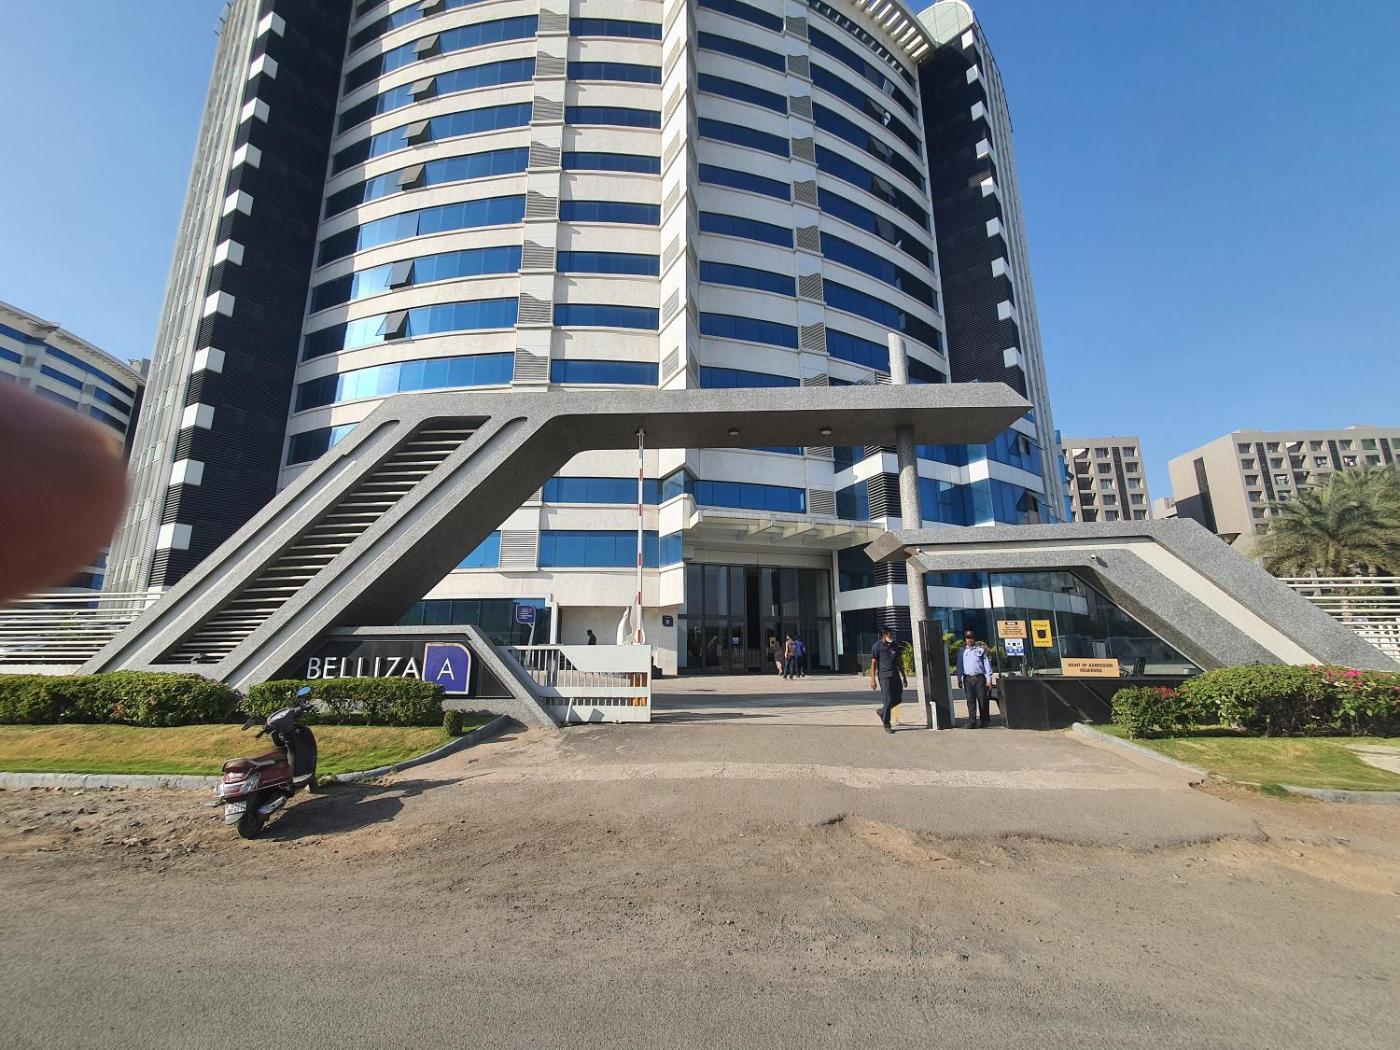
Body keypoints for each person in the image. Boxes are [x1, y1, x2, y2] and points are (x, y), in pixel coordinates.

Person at [868, 627, 906, 734]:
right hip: (884, 677)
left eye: (892, 635)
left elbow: (899, 661)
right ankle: (886, 724)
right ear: (884, 635)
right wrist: (872, 680)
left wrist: (904, 676)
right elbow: (873, 664)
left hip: (895, 675)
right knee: (888, 700)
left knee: (898, 698)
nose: (891, 637)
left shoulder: (894, 645)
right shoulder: (876, 647)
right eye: (889, 635)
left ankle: (882, 711)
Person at [958, 628, 995, 728]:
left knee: (982, 700)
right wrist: (959, 679)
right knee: (970, 700)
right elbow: (960, 665)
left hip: (979, 678)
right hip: (968, 678)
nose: (969, 639)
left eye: (971, 637)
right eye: (967, 637)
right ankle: (972, 721)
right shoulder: (962, 651)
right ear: (965, 639)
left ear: (974, 638)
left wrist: (989, 680)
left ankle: (984, 721)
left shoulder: (981, 650)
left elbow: (987, 665)